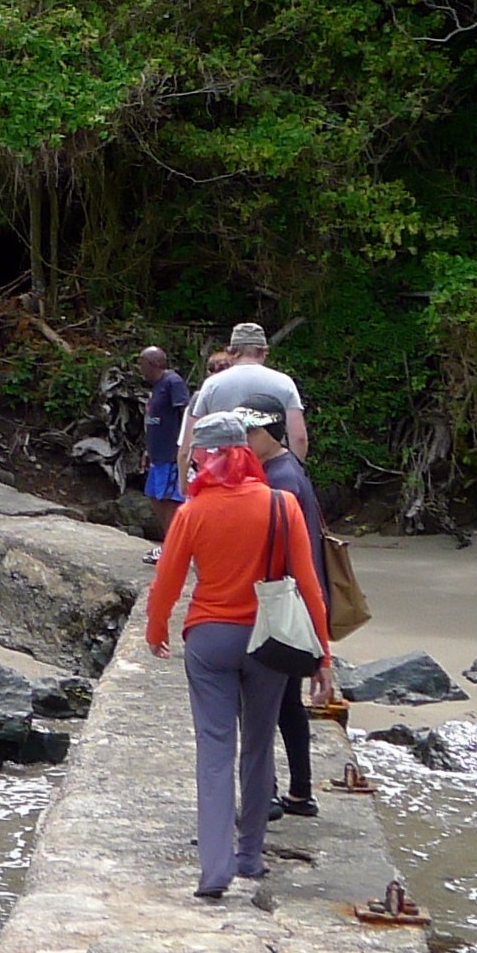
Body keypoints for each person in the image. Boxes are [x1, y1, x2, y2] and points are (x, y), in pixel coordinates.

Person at [146, 409, 330, 901]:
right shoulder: (279, 504)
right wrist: (323, 655)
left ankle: (215, 870)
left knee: (214, 750)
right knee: (258, 746)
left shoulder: (192, 512)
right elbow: (309, 586)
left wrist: (156, 627)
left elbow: (167, 581)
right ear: (246, 453)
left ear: (203, 458)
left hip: (209, 637)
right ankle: (250, 856)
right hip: (269, 640)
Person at [247, 412, 326, 820]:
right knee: (287, 703)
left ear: (269, 434)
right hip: (297, 598)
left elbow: (276, 548)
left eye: (250, 432)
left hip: (283, 600)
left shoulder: (280, 479)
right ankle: (300, 791)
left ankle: (272, 794)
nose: (244, 440)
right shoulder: (287, 468)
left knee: (264, 702)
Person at [183, 322, 309, 476]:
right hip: (271, 473)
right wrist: (296, 472)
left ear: (231, 351)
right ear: (264, 352)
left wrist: (186, 485)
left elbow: (191, 440)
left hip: (224, 474)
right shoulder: (284, 383)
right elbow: (299, 438)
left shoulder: (211, 385)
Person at [136, 347, 190, 518]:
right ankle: (167, 541)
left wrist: (184, 446)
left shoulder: (173, 382)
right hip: (156, 453)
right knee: (154, 496)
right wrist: (148, 449)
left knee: (170, 501)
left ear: (153, 364)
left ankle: (174, 542)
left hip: (171, 454)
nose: (140, 368)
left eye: (142, 363)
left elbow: (185, 413)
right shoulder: (156, 386)